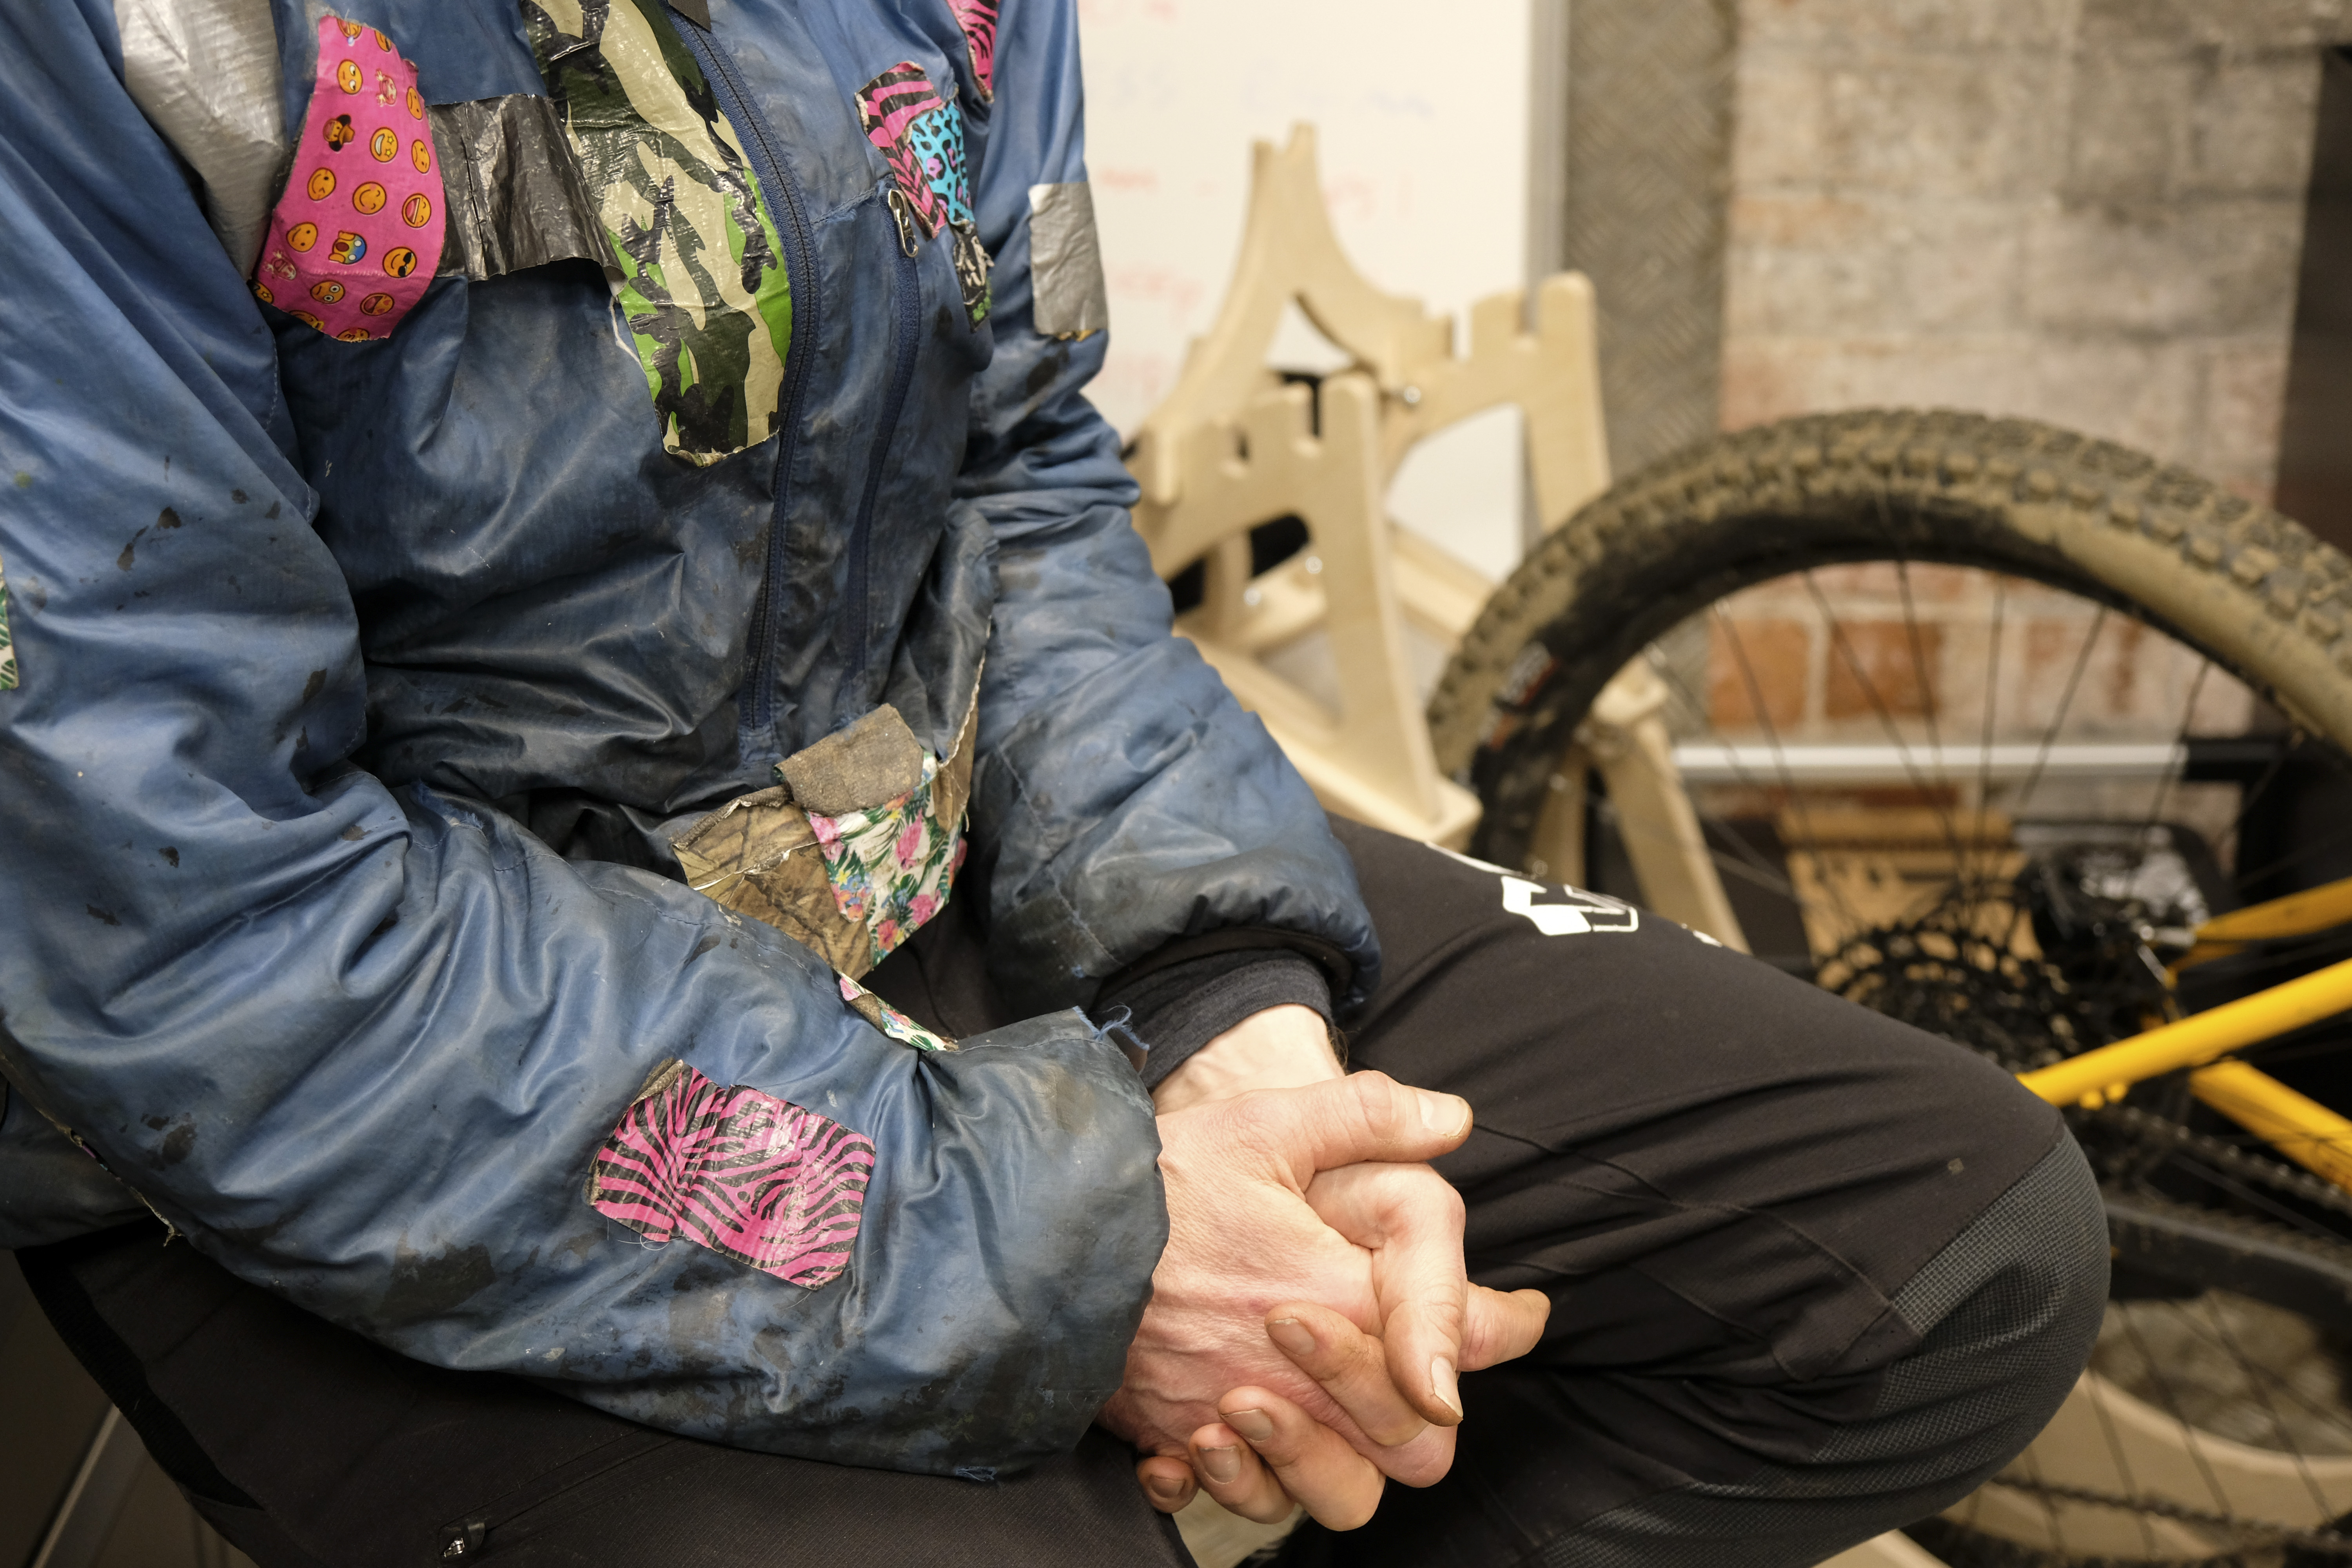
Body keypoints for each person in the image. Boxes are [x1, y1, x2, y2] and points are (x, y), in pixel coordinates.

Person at [0, 1, 2107, 1563]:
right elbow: (198, 928)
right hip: (359, 1093)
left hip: (900, 876)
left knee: (1954, 1249)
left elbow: (1012, 472)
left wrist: (1234, 1018)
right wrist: (1084, 1256)